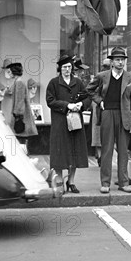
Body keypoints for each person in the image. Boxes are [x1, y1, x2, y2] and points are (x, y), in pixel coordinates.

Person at [87, 47, 131, 194]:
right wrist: (99, 101)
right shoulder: (102, 76)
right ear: (112, 62)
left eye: (122, 60)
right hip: (108, 113)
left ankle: (124, 182)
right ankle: (105, 183)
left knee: (123, 150)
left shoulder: (130, 78)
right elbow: (89, 90)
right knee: (107, 150)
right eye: (117, 60)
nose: (120, 62)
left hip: (125, 116)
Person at [46, 55, 90, 193]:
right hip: (60, 122)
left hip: (75, 122)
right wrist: (67, 105)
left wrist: (80, 104)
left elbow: (87, 97)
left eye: (69, 67)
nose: (67, 70)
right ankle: (59, 180)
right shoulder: (53, 83)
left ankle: (71, 181)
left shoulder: (78, 82)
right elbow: (50, 101)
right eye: (64, 67)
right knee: (60, 152)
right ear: (60, 69)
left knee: (74, 151)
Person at [3, 61, 38, 150]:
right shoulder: (19, 81)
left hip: (20, 117)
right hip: (21, 116)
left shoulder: (19, 82)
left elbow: (19, 101)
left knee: (21, 140)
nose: (9, 74)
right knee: (21, 141)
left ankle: (25, 160)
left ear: (14, 72)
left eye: (10, 71)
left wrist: (17, 116)